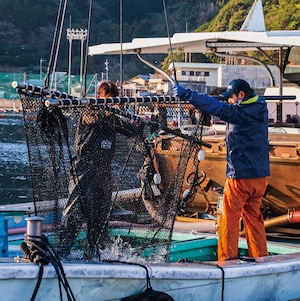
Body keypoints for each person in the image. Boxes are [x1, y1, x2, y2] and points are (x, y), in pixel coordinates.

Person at [172, 79, 270, 261]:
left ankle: (227, 260)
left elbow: (215, 107)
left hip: (240, 176)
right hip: (261, 176)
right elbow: (222, 105)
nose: (229, 101)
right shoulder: (261, 106)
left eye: (231, 98)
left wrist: (188, 94)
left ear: (241, 95)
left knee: (228, 218)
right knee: (253, 216)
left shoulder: (239, 113)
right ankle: (260, 257)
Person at [59, 80, 142, 259]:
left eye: (114, 99)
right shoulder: (90, 110)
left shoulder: (113, 119)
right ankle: (63, 250)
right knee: (75, 210)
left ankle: (94, 252)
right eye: (108, 99)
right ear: (100, 97)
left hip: (105, 169)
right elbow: (96, 117)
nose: (111, 103)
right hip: (84, 167)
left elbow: (131, 130)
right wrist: (110, 109)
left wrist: (140, 123)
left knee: (101, 214)